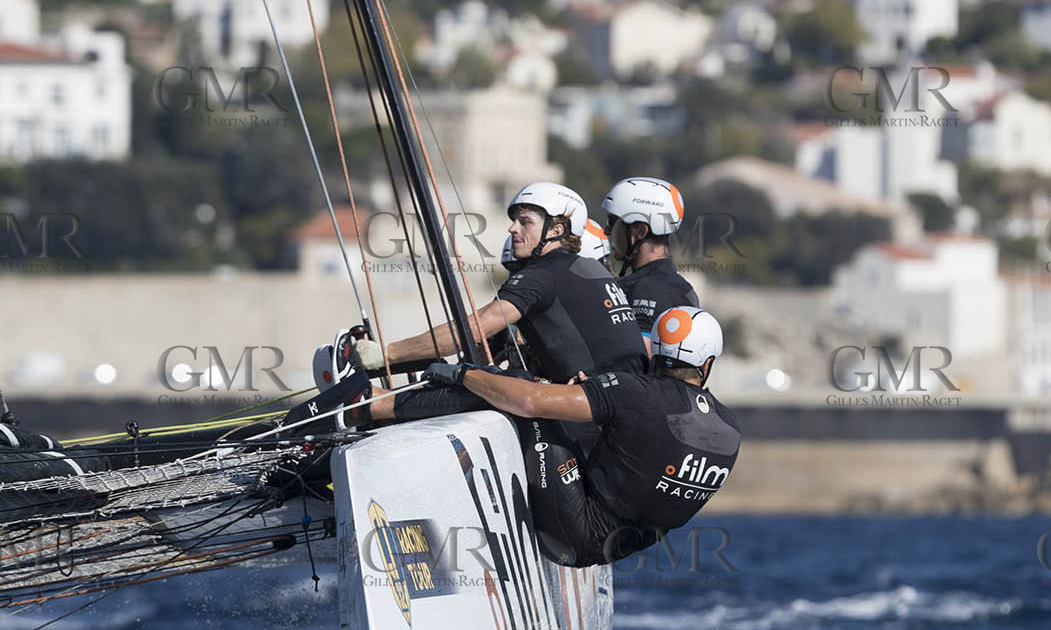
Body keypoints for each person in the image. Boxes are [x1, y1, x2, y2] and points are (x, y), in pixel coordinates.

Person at [421, 306, 740, 567]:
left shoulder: (636, 393)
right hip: (616, 549)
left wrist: (465, 375)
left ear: (655, 350)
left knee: (518, 387)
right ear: (707, 363)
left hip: (573, 536)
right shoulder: (729, 427)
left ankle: (380, 405)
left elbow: (531, 401)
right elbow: (645, 458)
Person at [317, 182, 646, 426]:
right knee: (493, 378)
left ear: (557, 229)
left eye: (524, 221)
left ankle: (368, 405)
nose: (512, 227)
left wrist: (385, 354)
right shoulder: (585, 267)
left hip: (594, 412)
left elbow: (470, 330)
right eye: (514, 219)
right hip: (619, 407)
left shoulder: (544, 273)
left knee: (491, 386)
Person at [601, 177, 699, 353]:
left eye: (612, 222)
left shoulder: (646, 290)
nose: (606, 230)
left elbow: (636, 358)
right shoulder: (683, 289)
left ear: (640, 231)